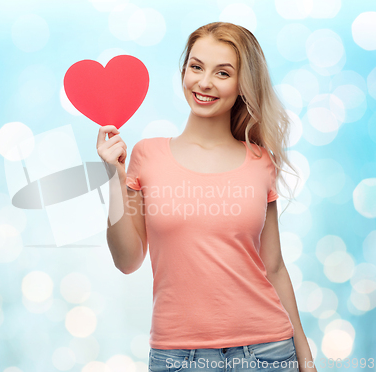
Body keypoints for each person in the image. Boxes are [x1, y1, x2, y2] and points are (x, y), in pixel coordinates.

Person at [97, 22, 316, 372]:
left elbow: (273, 266)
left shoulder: (260, 163)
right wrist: (113, 175)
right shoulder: (146, 156)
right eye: (196, 67)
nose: (204, 83)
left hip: (267, 353)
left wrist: (305, 357)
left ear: (243, 84)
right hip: (177, 357)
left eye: (223, 73)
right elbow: (127, 260)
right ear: (184, 70)